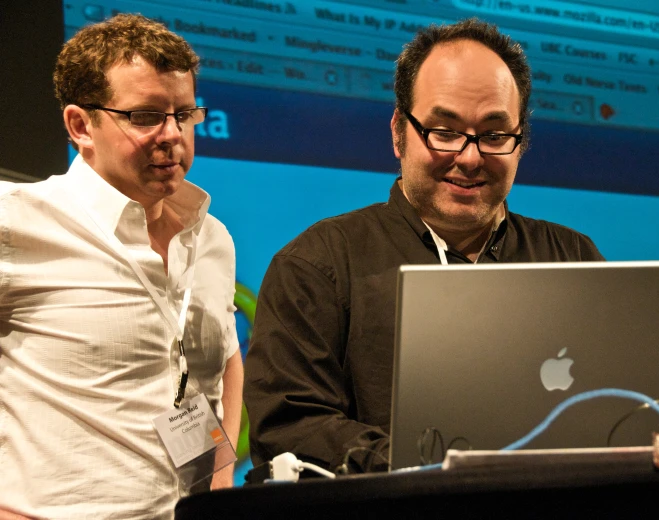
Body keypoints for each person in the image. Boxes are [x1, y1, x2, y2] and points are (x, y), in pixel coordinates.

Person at [243, 18, 603, 475]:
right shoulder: (317, 266)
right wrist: (433, 465)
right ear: (399, 132)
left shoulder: (571, 257)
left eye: (494, 135)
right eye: (444, 131)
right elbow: (291, 429)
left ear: (521, 142)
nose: (470, 157)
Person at [0, 14, 243, 519]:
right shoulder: (16, 221)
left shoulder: (212, 237)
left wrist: (221, 477)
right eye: (146, 116)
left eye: (184, 113)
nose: (172, 135)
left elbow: (223, 363)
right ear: (80, 125)